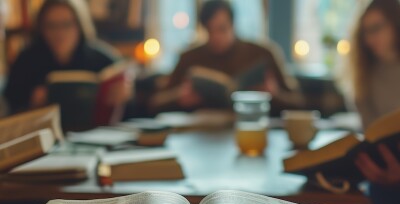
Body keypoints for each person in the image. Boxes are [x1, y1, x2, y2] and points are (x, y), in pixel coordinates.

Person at [150, 0, 304, 116]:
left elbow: (299, 103)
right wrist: (178, 96)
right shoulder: (189, 58)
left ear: (233, 24)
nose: (216, 37)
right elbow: (154, 104)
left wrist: (274, 95)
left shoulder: (263, 53)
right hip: (202, 135)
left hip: (251, 129)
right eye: (210, 30)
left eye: (222, 29)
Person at [4, 0, 132, 120]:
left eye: (66, 24)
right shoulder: (26, 60)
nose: (59, 33)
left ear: (80, 25)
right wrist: (31, 103)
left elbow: (126, 78)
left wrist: (126, 90)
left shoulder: (101, 57)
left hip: (94, 133)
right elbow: (10, 105)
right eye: (51, 25)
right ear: (41, 28)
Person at [349, 0, 400, 204]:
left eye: (377, 28)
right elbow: (372, 133)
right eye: (365, 32)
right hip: (384, 173)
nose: (369, 39)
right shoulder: (364, 77)